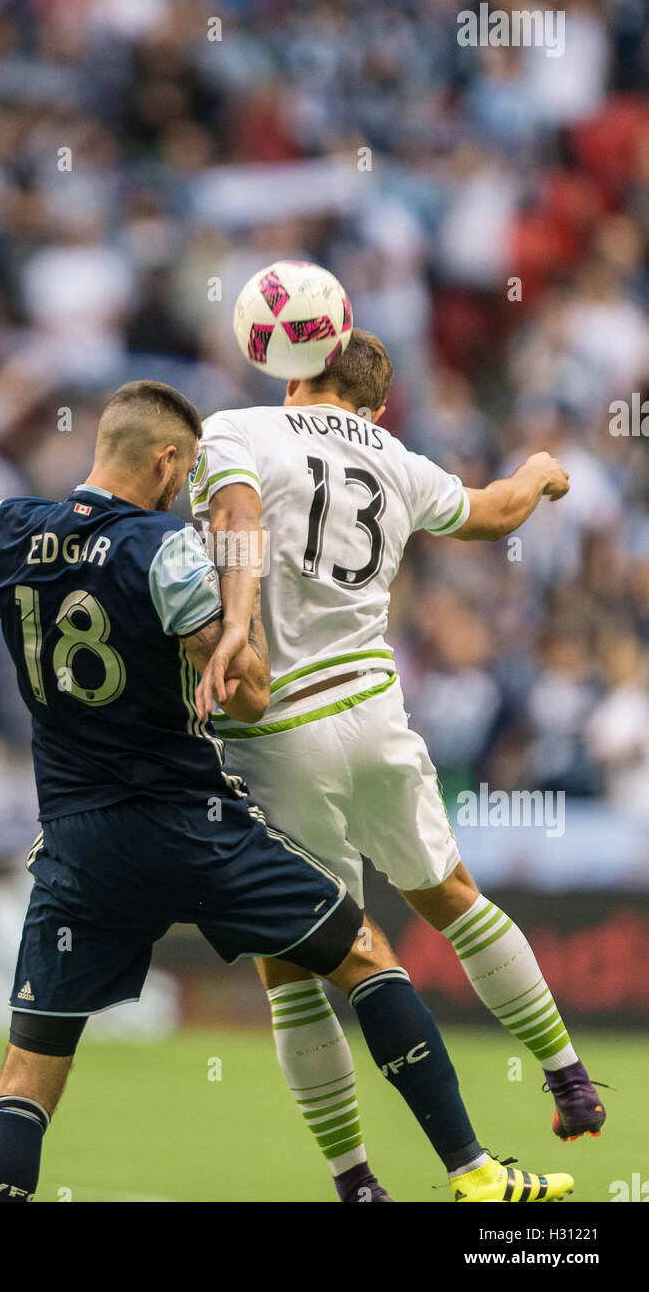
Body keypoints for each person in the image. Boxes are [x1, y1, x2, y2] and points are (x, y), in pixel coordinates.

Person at [0, 378, 572, 1205]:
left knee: (26, 1074)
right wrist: (241, 632)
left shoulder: (6, 529)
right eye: (187, 469)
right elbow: (248, 693)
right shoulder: (166, 547)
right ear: (166, 460)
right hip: (195, 827)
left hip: (79, 843)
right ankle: (472, 1171)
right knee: (364, 955)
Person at [190, 329, 605, 1197]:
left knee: (297, 970)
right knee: (453, 897)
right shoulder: (396, 455)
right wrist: (536, 471)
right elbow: (493, 512)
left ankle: (357, 1183)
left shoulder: (239, 430)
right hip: (376, 716)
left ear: (299, 375)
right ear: (372, 405)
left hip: (277, 731)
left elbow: (230, 523)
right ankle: (566, 1075)